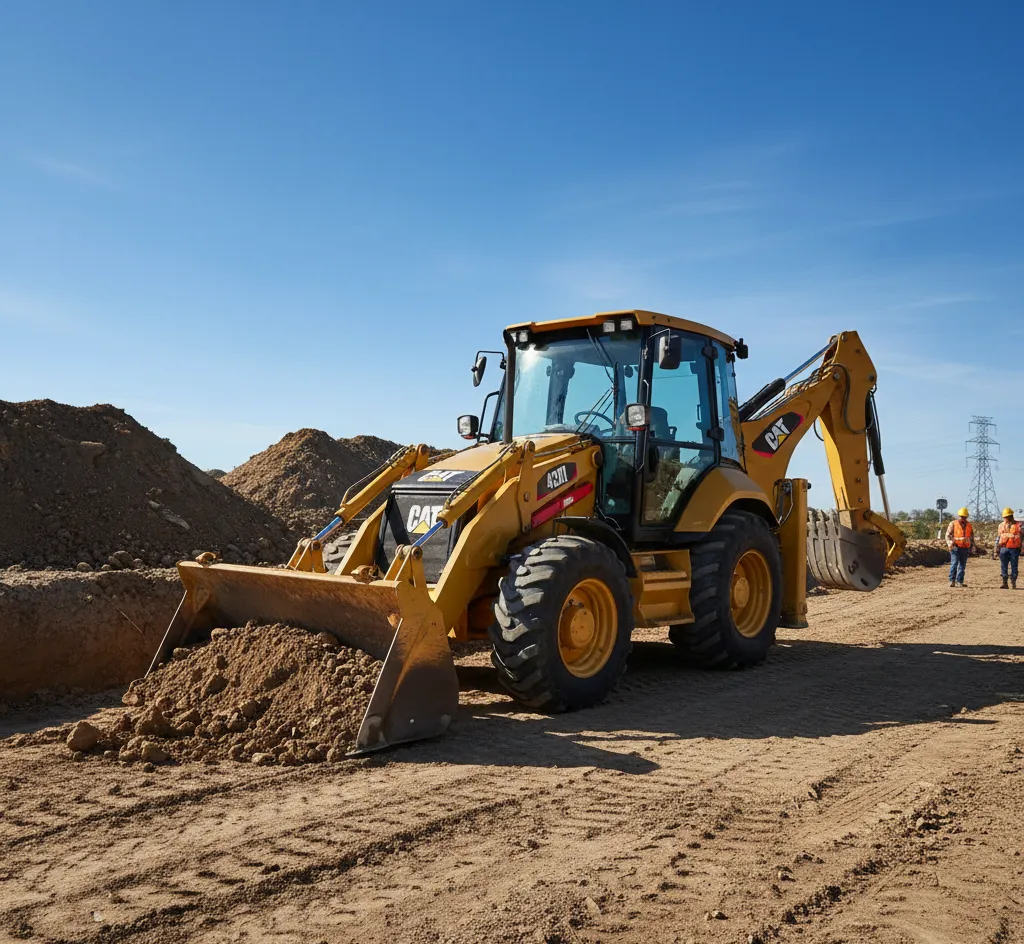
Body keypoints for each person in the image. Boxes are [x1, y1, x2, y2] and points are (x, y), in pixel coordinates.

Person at [946, 507, 973, 587]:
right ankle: (952, 581)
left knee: (962, 565)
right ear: (959, 516)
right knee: (954, 563)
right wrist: (950, 543)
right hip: (955, 547)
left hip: (965, 547)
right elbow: (948, 535)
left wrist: (971, 545)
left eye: (964, 517)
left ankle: (959, 581)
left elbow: (971, 536)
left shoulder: (969, 525)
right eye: (962, 516)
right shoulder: (953, 524)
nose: (963, 518)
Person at [996, 507, 1021, 590]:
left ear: (1011, 516)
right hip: (1004, 548)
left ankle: (1013, 583)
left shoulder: (1018, 525)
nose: (1006, 518)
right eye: (1005, 517)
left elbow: (1021, 537)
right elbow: (998, 538)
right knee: (1003, 566)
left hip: (1014, 549)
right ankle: (1005, 583)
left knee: (1014, 566)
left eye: (1008, 516)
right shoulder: (1001, 525)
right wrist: (996, 548)